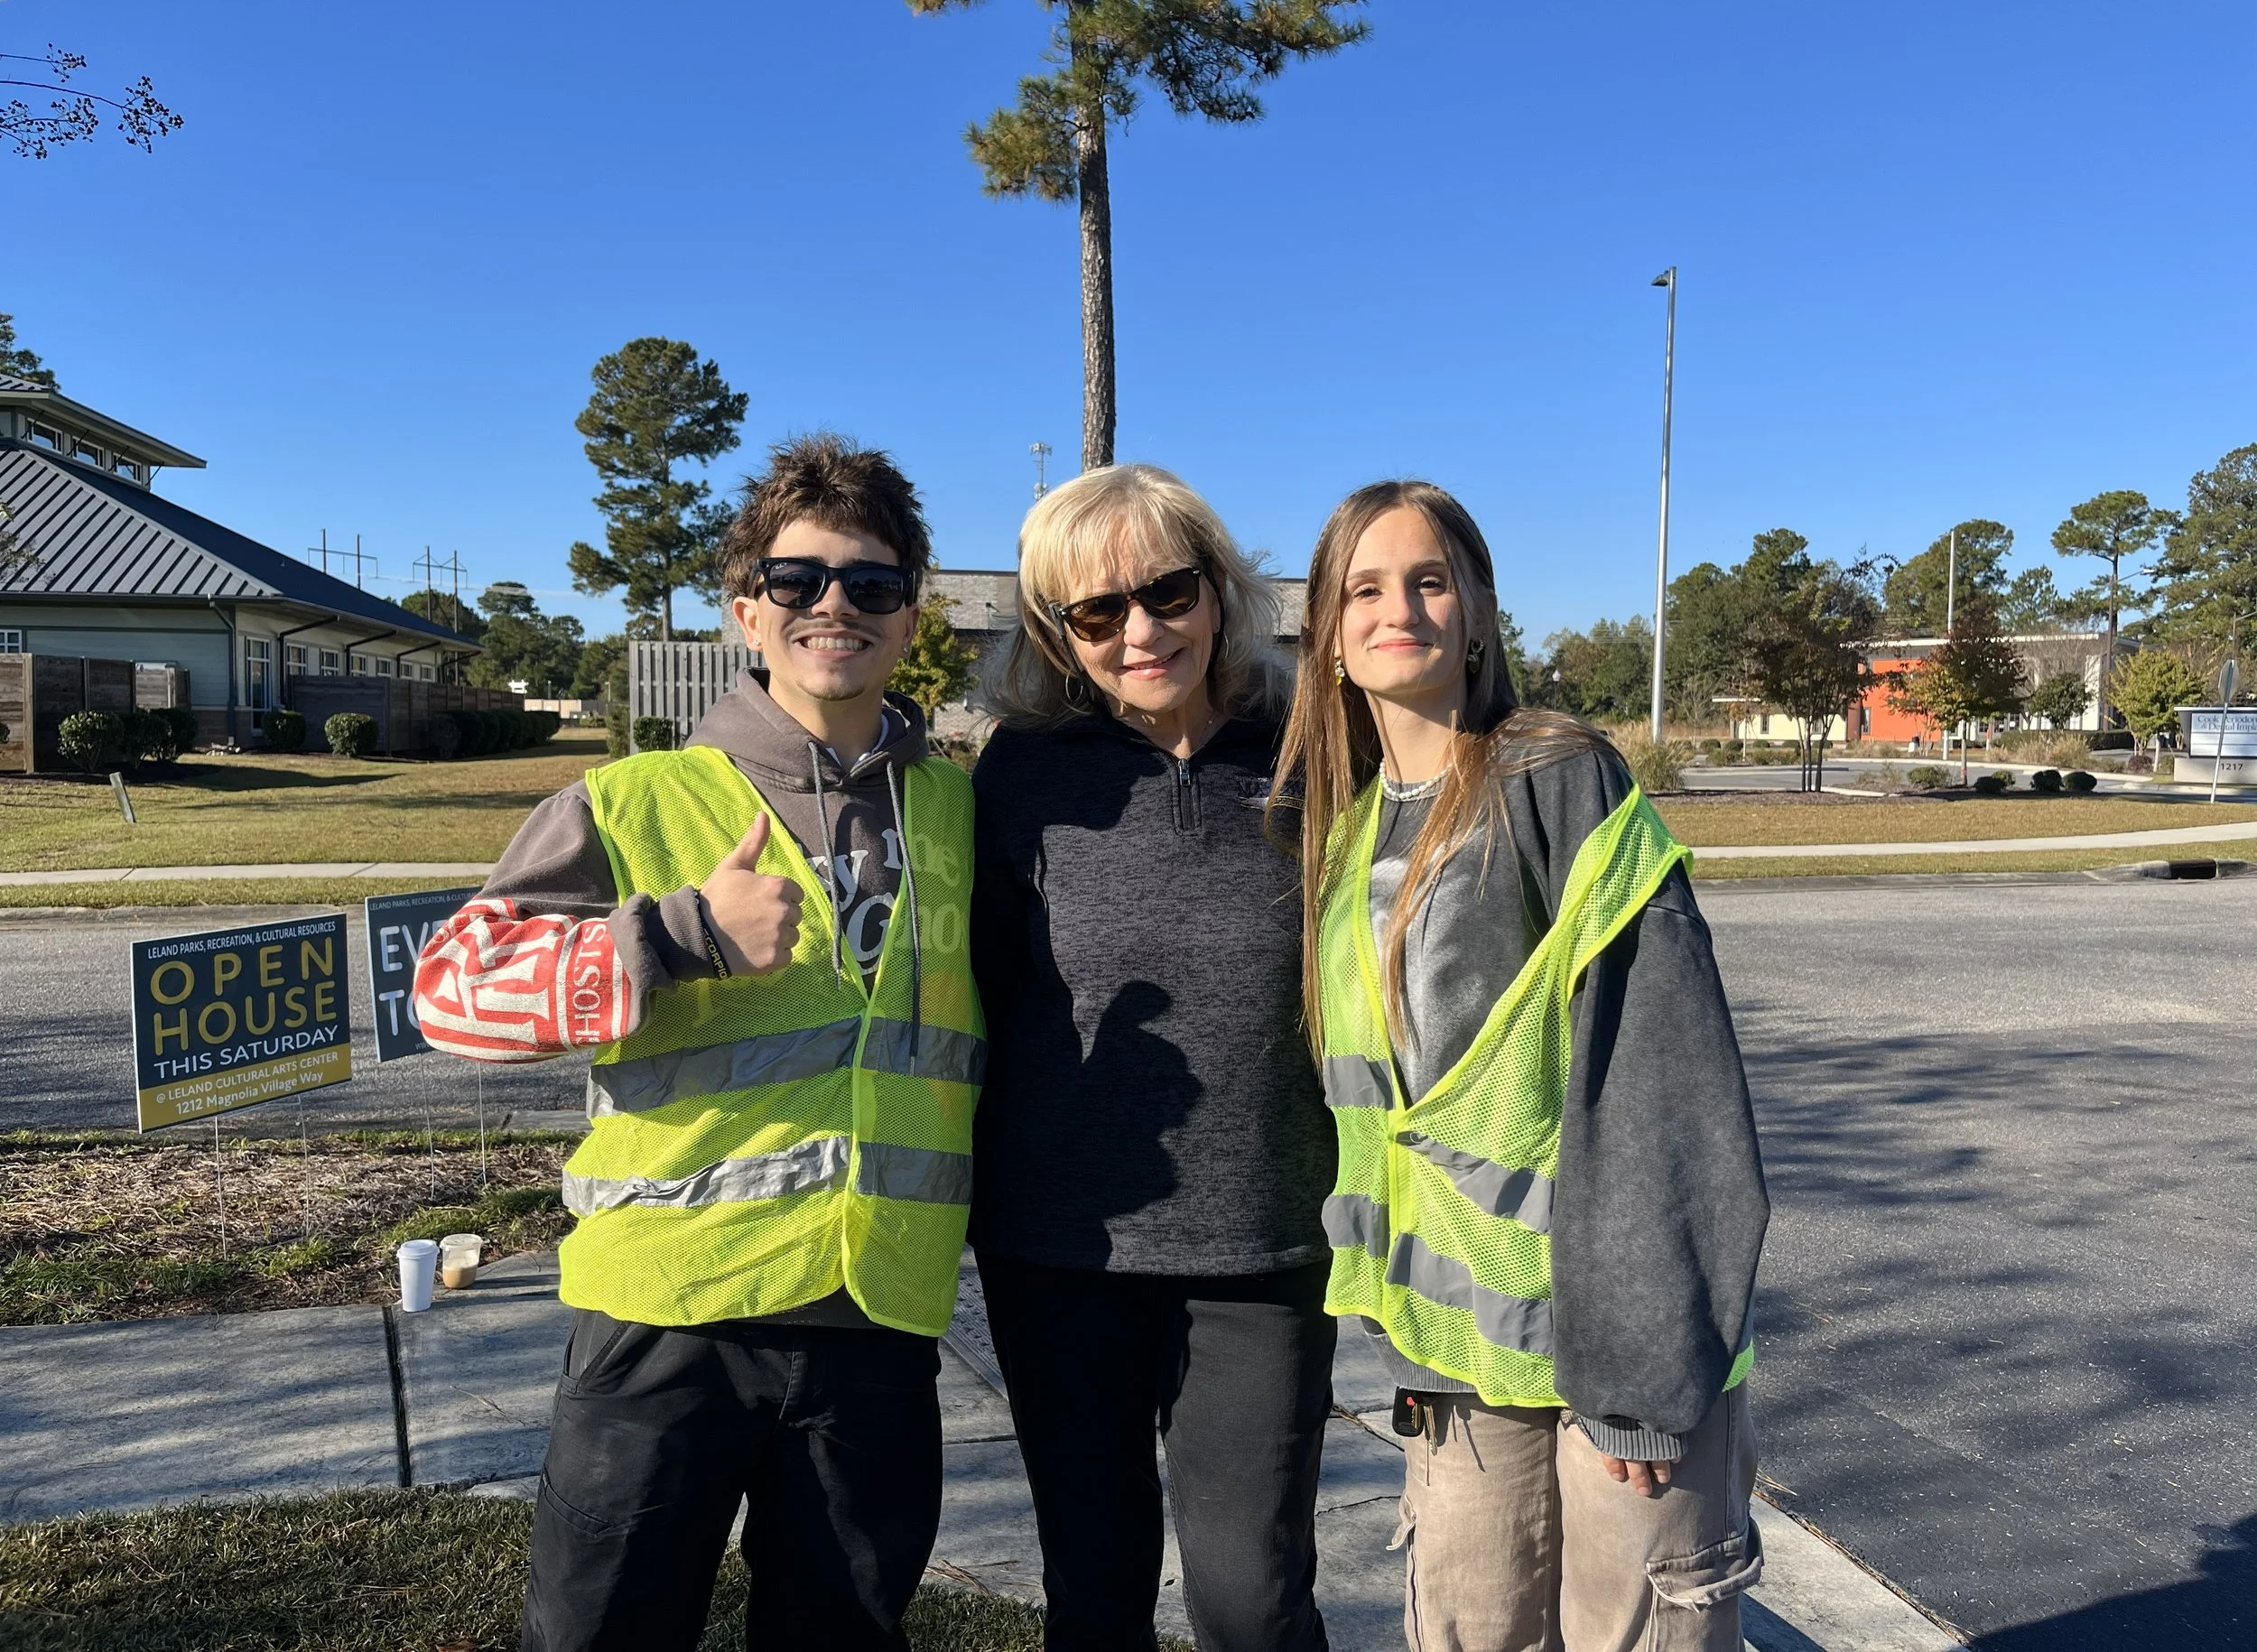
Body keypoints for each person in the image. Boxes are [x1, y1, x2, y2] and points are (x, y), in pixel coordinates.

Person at [412, 433, 982, 1652]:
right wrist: (672, 937)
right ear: (746, 612)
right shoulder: (627, 803)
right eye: (799, 581)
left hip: (875, 1320)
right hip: (668, 1324)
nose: (836, 605)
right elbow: (450, 993)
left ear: (909, 616)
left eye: (872, 583)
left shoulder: (952, 807)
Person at [1270, 479, 1769, 1652]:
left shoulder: (1556, 776)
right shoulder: (1340, 830)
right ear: (1331, 634)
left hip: (1619, 1352)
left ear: (1482, 609)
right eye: (1367, 586)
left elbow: (1663, 1069)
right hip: (1461, 1362)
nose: (1402, 606)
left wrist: (1640, 1386)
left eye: (1431, 578)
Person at [969, 463, 1335, 1652]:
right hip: (1061, 1248)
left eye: (1167, 592)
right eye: (1096, 613)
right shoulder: (1020, 776)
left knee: (1253, 1600)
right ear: (1054, 632)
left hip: (1263, 1242)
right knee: (1096, 1588)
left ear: (1218, 589)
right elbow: (976, 988)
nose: (1141, 631)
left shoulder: (1315, 753)